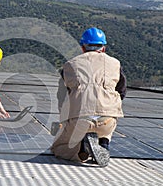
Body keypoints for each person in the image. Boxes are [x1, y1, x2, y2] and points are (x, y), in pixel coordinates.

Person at [51, 27, 127, 166]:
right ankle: (104, 143)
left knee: (59, 149)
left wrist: (64, 120)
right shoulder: (115, 64)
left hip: (79, 121)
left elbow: (61, 97)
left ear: (82, 47)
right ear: (103, 48)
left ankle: (81, 148)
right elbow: (122, 91)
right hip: (107, 121)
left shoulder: (69, 65)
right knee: (109, 118)